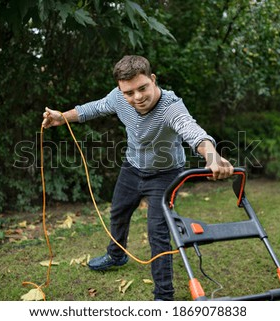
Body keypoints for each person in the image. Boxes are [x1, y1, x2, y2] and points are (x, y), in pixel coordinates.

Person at [42, 55, 233, 301]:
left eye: (142, 88)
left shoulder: (171, 106)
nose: (137, 97)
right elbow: (92, 108)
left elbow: (192, 130)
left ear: (152, 80)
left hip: (166, 175)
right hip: (132, 168)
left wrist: (213, 156)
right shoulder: (119, 98)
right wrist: (61, 117)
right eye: (129, 92)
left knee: (158, 232)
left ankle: (164, 296)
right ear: (121, 90)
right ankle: (116, 255)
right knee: (118, 213)